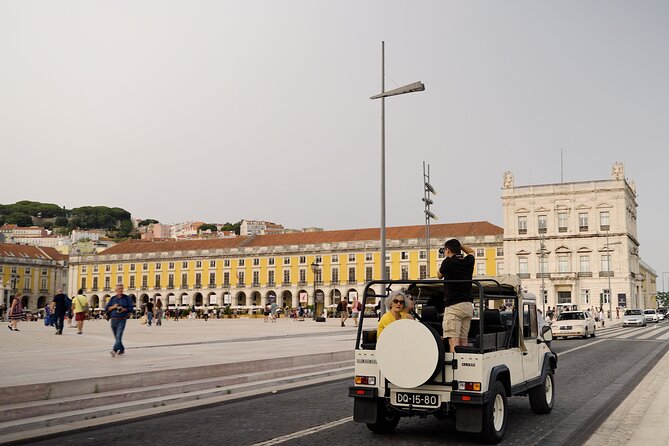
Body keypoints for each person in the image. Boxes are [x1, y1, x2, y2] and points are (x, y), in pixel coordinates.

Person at [438, 238, 475, 353]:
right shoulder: (468, 261)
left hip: (454, 306)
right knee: (463, 340)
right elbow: (472, 252)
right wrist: (459, 246)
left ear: (447, 250)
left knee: (453, 340)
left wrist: (448, 257)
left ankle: (455, 367)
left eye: (445, 251)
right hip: (468, 306)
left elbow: (439, 275)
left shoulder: (447, 262)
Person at [105, 283, 134, 357]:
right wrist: (113, 307)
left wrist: (124, 309)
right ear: (115, 290)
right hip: (113, 320)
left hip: (122, 319)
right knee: (117, 337)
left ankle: (114, 350)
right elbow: (106, 308)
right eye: (118, 289)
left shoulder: (127, 298)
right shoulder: (113, 299)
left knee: (119, 335)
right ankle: (121, 349)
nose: (120, 290)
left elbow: (131, 308)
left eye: (121, 289)